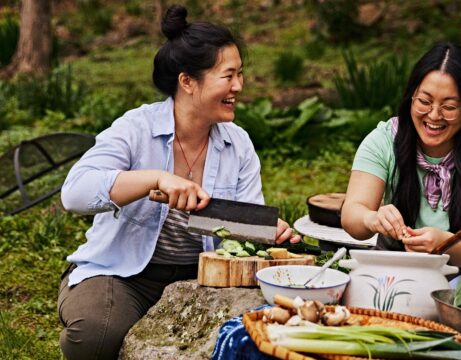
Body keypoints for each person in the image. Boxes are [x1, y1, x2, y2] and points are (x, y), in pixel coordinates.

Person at [57, 5, 300, 359]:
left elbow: (246, 226)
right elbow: (74, 193)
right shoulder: (136, 128)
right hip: (124, 273)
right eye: (228, 76)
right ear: (187, 81)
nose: (239, 86)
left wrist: (268, 231)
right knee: (97, 334)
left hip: (206, 276)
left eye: (240, 74)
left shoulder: (238, 144)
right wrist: (154, 178)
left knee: (256, 335)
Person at [341, 42, 461, 284]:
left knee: (454, 300)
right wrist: (371, 218)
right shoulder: (384, 140)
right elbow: (352, 213)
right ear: (411, 97)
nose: (434, 115)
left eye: (449, 107)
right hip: (401, 261)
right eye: (424, 102)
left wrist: (442, 244)